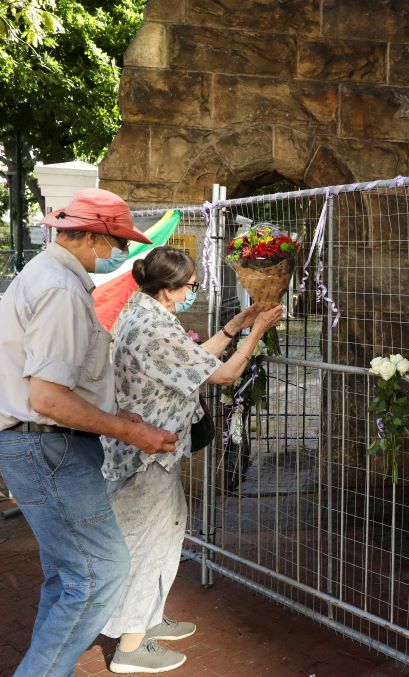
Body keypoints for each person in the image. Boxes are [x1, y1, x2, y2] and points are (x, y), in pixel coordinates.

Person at [0, 188, 178, 677]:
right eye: (116, 244)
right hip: (47, 444)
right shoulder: (59, 286)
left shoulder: (47, 276)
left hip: (39, 444)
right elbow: (49, 399)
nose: (120, 255)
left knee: (68, 578)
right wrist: (128, 430)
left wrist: (117, 414)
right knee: (102, 573)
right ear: (93, 236)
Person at [99, 246, 283, 674]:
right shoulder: (152, 326)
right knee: (146, 545)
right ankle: (131, 646)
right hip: (145, 458)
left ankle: (149, 620)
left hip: (154, 450)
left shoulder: (146, 311)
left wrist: (236, 325)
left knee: (167, 534)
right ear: (167, 289)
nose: (194, 293)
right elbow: (221, 374)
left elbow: (195, 360)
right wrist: (257, 333)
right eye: (191, 287)